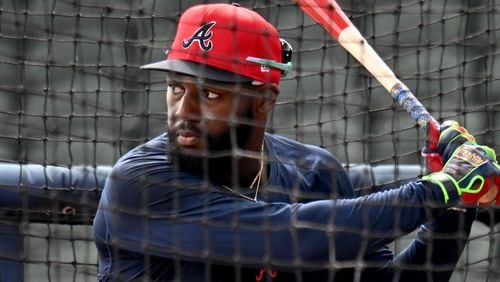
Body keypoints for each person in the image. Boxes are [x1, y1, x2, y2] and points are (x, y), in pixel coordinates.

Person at [92, 3, 500, 282]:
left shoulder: (313, 172)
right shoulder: (141, 183)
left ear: (264, 100)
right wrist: (436, 188)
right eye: (176, 88)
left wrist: (455, 204)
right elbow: (286, 237)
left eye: (211, 94)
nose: (185, 109)